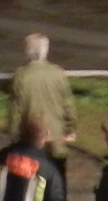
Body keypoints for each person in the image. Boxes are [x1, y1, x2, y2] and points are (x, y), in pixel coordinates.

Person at [8, 32, 76, 168]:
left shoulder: (21, 75)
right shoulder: (58, 73)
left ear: (27, 51)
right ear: (46, 50)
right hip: (56, 140)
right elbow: (68, 105)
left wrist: (14, 138)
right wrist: (70, 128)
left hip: (30, 142)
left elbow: (16, 111)